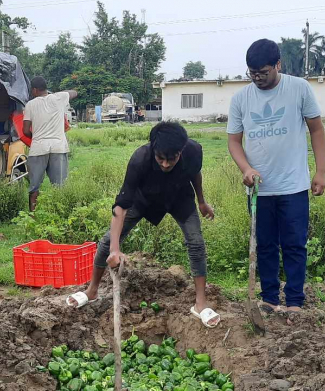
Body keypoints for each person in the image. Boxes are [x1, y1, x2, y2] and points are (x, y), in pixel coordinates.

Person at [66, 122, 220, 327]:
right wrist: (114, 249)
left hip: (179, 198)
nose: (165, 164)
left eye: (171, 159)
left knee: (196, 243)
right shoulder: (140, 158)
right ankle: (92, 291)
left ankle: (200, 303)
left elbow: (194, 174)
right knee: (106, 242)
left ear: (181, 151)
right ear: (154, 150)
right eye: (160, 158)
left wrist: (201, 201)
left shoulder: (193, 151)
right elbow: (120, 206)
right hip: (143, 200)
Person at [227, 39, 325, 319]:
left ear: (278, 65)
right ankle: (270, 298)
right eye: (252, 73)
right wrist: (245, 169)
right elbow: (234, 142)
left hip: (293, 185)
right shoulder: (241, 99)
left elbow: (317, 130)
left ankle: (295, 300)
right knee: (265, 245)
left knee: (295, 244)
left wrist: (320, 171)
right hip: (260, 190)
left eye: (263, 72)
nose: (258, 78)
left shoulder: (299, 88)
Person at [23, 76, 78, 212]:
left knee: (34, 187)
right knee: (60, 186)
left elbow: (25, 130)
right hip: (58, 147)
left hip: (38, 149)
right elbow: (74, 92)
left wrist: (35, 136)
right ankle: (60, 214)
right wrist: (58, 94)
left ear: (35, 90)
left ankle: (32, 215)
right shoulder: (59, 98)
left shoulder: (30, 104)